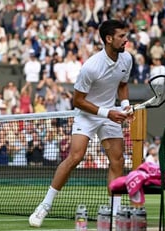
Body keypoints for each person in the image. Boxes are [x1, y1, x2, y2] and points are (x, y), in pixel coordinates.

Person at [29, 19, 133, 227]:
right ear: (109, 39)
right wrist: (107, 112)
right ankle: (44, 206)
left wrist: (125, 105)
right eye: (121, 36)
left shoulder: (127, 59)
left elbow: (122, 85)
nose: (125, 40)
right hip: (87, 113)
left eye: (125, 35)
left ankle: (115, 212)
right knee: (75, 156)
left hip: (110, 113)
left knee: (118, 160)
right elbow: (77, 101)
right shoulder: (91, 67)